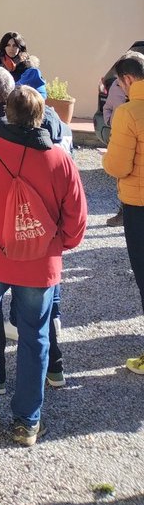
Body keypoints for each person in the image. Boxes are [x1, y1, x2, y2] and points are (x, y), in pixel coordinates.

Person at [0, 86, 87, 447]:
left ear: (6, 113)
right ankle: (27, 421)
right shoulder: (60, 160)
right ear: (42, 116)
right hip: (39, 261)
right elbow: (76, 221)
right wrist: (55, 245)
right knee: (35, 333)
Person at [102, 52, 144, 374]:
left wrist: (105, 159)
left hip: (138, 204)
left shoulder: (128, 113)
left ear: (127, 79)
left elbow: (118, 166)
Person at [99, 64, 130, 227]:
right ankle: (123, 212)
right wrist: (112, 121)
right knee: (121, 175)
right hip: (119, 136)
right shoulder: (115, 87)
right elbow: (107, 107)